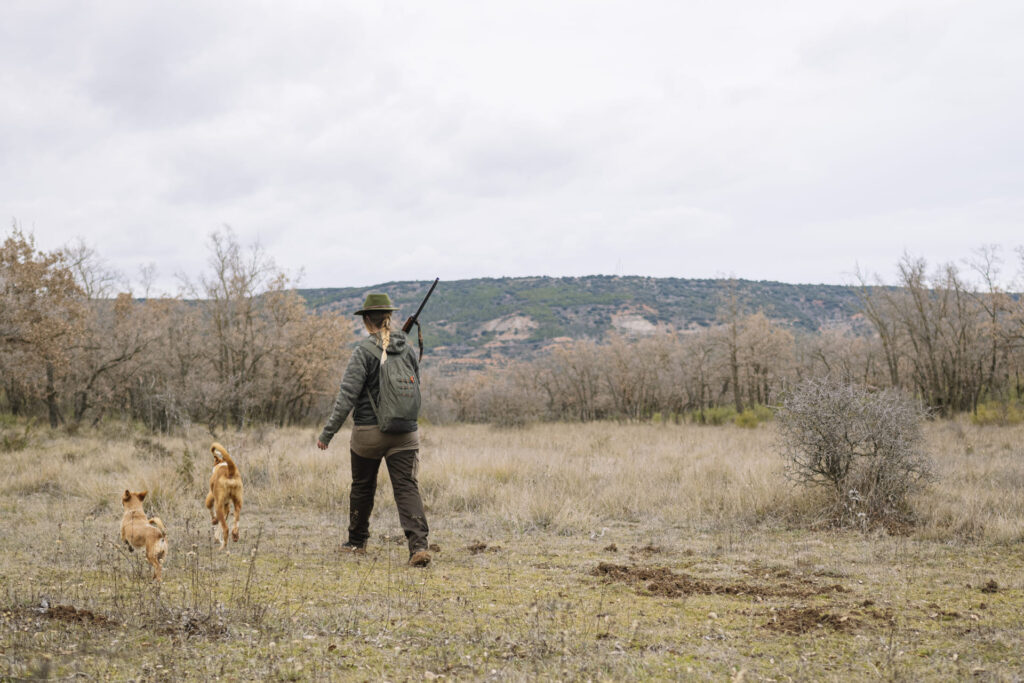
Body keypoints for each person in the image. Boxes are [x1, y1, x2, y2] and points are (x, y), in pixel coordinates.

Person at [317, 293, 431, 567]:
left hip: (368, 434)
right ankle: (419, 547)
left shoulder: (363, 352)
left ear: (367, 320)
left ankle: (357, 542)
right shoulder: (408, 349)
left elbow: (346, 396)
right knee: (406, 487)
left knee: (362, 487)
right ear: (389, 318)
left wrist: (327, 434)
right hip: (406, 432)